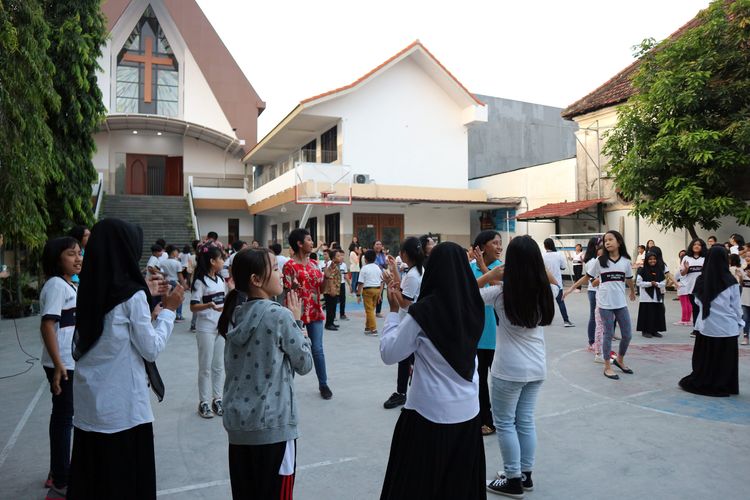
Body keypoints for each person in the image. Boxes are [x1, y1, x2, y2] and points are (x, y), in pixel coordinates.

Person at [68, 218, 183, 499]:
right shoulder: (131, 296)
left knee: (95, 482)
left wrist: (148, 303)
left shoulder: (90, 289)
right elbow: (151, 348)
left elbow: (113, 332)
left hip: (90, 405)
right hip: (123, 410)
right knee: (125, 484)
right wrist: (168, 310)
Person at [379, 242, 486, 499]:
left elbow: (390, 353)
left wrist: (394, 313)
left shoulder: (423, 312)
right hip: (469, 411)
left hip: (429, 414)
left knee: (418, 485)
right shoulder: (474, 306)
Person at [217, 248, 312, 499]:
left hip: (239, 427)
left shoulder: (235, 315)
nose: (281, 274)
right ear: (256, 280)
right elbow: (304, 364)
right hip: (273, 426)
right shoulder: (279, 316)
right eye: (276, 268)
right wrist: (299, 323)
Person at [477, 235, 554, 498]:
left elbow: (465, 295)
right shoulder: (546, 291)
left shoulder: (500, 292)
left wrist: (489, 275)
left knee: (506, 423)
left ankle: (512, 479)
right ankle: (525, 474)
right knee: (525, 421)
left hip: (508, 369)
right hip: (536, 368)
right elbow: (554, 283)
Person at [39, 237, 82, 500]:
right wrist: (58, 365)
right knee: (64, 418)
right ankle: (61, 479)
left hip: (68, 360)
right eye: (70, 254)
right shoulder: (56, 285)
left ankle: (60, 471)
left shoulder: (69, 284)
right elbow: (47, 325)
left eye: (79, 253)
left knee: (66, 416)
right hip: (62, 363)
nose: (78, 258)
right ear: (57, 258)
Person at [679, 246, 742, 396]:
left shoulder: (701, 280)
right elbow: (737, 308)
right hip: (728, 329)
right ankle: (725, 385)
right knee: (725, 362)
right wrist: (739, 324)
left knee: (707, 361)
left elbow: (698, 303)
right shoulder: (731, 281)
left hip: (707, 328)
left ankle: (706, 380)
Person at [283, 228, 332, 400]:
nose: (312, 243)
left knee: (317, 349)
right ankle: (287, 386)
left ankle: (323, 384)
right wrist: (292, 288)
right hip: (296, 315)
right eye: (309, 240)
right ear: (299, 243)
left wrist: (326, 278)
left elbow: (321, 289)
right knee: (293, 351)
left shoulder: (314, 264)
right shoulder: (289, 265)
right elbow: (286, 289)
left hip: (315, 312)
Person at [586, 230, 637, 380]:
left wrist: (633, 292)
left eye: (610, 239)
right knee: (608, 334)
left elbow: (629, 279)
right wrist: (570, 289)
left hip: (621, 303)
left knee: (627, 335)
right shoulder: (600, 261)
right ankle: (607, 366)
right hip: (605, 304)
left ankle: (620, 360)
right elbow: (588, 278)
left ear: (619, 242)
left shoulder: (625, 262)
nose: (607, 242)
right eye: (605, 240)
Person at [381, 237, 425, 410]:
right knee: (408, 359)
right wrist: (394, 271)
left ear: (405, 253)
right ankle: (405, 392)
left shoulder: (414, 275)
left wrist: (389, 285)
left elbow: (405, 303)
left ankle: (403, 393)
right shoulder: (415, 271)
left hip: (408, 322)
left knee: (405, 358)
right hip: (412, 321)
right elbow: (404, 288)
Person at [470, 230, 504, 436]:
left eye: (500, 243)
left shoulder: (503, 269)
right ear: (481, 248)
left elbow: (503, 290)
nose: (500, 247)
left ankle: (505, 418)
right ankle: (485, 420)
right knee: (479, 380)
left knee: (500, 381)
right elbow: (466, 293)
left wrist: (485, 269)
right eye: (495, 243)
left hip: (497, 335)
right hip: (476, 334)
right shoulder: (468, 269)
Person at [190, 245, 227, 418]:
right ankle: (204, 402)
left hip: (219, 329)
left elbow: (224, 301)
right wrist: (209, 305)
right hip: (205, 329)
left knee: (218, 366)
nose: (223, 261)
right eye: (221, 259)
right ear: (212, 261)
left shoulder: (220, 280)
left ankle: (217, 399)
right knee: (205, 367)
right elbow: (193, 307)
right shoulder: (200, 281)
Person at [564, 238, 601, 354]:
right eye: (600, 245)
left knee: (600, 318)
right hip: (594, 291)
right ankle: (592, 341)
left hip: (599, 290)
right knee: (594, 317)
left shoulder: (598, 259)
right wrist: (571, 289)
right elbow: (589, 278)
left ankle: (599, 340)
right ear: (595, 247)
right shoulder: (592, 261)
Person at [542, 238, 574, 327]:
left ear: (545, 246)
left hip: (546, 283)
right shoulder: (559, 255)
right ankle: (566, 321)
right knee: (560, 302)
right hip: (557, 283)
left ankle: (545, 320)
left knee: (546, 302)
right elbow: (563, 267)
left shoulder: (542, 256)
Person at [680, 238, 707, 338]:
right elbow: (682, 273)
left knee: (703, 308)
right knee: (695, 309)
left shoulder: (705, 257)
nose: (696, 246)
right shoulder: (686, 257)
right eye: (694, 244)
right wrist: (686, 269)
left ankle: (703, 329)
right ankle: (696, 329)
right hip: (691, 287)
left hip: (703, 287)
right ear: (691, 246)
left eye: (699, 245)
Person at [636, 251, 667, 338]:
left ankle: (654, 330)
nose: (652, 261)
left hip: (657, 295)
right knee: (647, 313)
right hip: (646, 297)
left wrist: (657, 284)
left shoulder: (659, 270)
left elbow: (664, 282)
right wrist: (650, 284)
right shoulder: (642, 270)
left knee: (656, 313)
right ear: (646, 260)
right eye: (650, 259)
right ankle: (645, 331)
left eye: (654, 259)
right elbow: (638, 282)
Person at [356, 249, 383, 335]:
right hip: (377, 289)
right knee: (371, 309)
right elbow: (381, 281)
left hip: (368, 290)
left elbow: (360, 283)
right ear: (375, 258)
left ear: (365, 259)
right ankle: (367, 327)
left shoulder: (364, 268)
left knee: (369, 310)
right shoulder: (378, 267)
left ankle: (373, 329)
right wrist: (380, 293)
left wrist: (358, 294)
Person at [160, 245, 185, 321]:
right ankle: (178, 315)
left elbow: (161, 272)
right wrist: (184, 284)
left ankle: (165, 314)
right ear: (173, 252)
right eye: (177, 251)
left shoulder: (163, 262)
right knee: (178, 298)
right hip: (175, 282)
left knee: (166, 298)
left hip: (166, 281)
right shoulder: (177, 263)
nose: (178, 253)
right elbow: (180, 275)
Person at [323, 249, 342, 331]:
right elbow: (330, 277)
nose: (340, 257)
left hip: (333, 290)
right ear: (333, 258)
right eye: (338, 256)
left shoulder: (335, 265)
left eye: (340, 255)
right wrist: (332, 289)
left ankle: (331, 322)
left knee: (333, 307)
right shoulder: (333, 265)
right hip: (330, 291)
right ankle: (328, 324)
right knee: (330, 308)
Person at [674, 250, 693, 326]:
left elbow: (675, 277)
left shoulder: (680, 268)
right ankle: (688, 319)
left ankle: (684, 319)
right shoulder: (691, 267)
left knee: (684, 304)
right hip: (689, 287)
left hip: (681, 287)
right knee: (689, 304)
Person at [374, 240, 387, 317]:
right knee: (373, 292)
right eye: (377, 244)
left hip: (381, 276)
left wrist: (384, 264)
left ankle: (378, 311)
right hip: (373, 276)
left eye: (380, 244)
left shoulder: (382, 255)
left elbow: (385, 266)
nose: (379, 246)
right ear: (374, 246)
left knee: (380, 294)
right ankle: (370, 311)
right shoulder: (371, 254)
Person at [337, 249, 350, 320]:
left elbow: (346, 275)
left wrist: (350, 285)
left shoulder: (344, 265)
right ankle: (333, 316)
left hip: (342, 284)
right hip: (335, 284)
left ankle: (342, 314)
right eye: (340, 255)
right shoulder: (332, 264)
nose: (342, 257)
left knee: (343, 300)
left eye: (343, 255)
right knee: (334, 300)